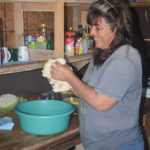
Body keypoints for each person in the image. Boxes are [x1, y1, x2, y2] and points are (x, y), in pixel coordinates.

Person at [50, 0, 144, 149]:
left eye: (98, 28)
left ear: (117, 28)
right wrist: (72, 85)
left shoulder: (124, 60)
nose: (92, 32)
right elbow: (91, 88)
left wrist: (69, 76)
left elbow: (100, 103)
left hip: (119, 145)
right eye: (91, 27)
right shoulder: (103, 52)